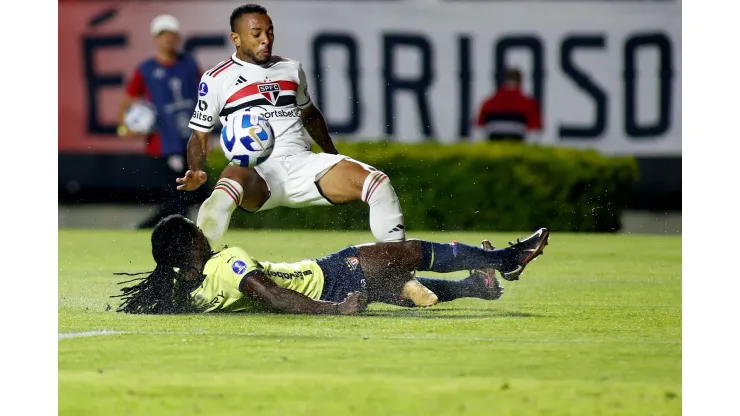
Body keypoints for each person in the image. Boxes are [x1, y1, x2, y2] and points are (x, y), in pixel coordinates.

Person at [176, 4, 406, 245]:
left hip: (303, 165)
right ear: (236, 38)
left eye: (270, 32)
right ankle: (193, 272)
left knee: (378, 182)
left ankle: (394, 275)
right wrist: (197, 169)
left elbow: (310, 114)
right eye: (256, 34)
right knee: (225, 189)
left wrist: (332, 155)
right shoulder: (216, 78)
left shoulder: (291, 68)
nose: (266, 40)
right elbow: (199, 135)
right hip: (257, 172)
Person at [113, 215, 550, 315]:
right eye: (196, 230)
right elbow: (273, 293)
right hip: (332, 275)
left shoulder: (192, 294)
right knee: (409, 251)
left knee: (402, 282)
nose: (204, 232)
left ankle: (478, 285)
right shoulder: (227, 261)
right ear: (191, 241)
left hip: (335, 287)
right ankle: (506, 260)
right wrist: (335, 309)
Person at [117, 14, 208, 229]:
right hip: (163, 144)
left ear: (177, 38)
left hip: (191, 141)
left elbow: (205, 93)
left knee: (196, 193)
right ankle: (147, 229)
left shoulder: (188, 63)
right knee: (181, 196)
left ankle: (151, 228)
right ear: (155, 39)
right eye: (162, 35)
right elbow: (126, 103)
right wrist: (125, 127)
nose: (167, 39)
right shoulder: (146, 69)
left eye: (171, 35)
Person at [474, 68, 543, 142]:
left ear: (504, 81)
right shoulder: (529, 103)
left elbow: (479, 130)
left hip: (494, 149)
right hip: (518, 149)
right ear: (520, 81)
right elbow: (535, 133)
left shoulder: (488, 103)